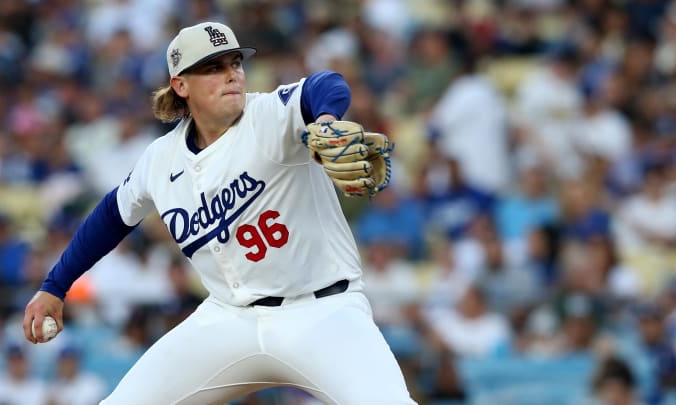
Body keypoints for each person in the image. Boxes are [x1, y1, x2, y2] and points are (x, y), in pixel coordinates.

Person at [23, 21, 416, 404]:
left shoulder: (269, 117)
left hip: (323, 313)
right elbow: (111, 216)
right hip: (228, 319)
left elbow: (326, 84)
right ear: (180, 85)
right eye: (213, 68)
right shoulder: (161, 158)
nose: (232, 75)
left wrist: (327, 121)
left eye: (235, 64)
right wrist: (55, 285)